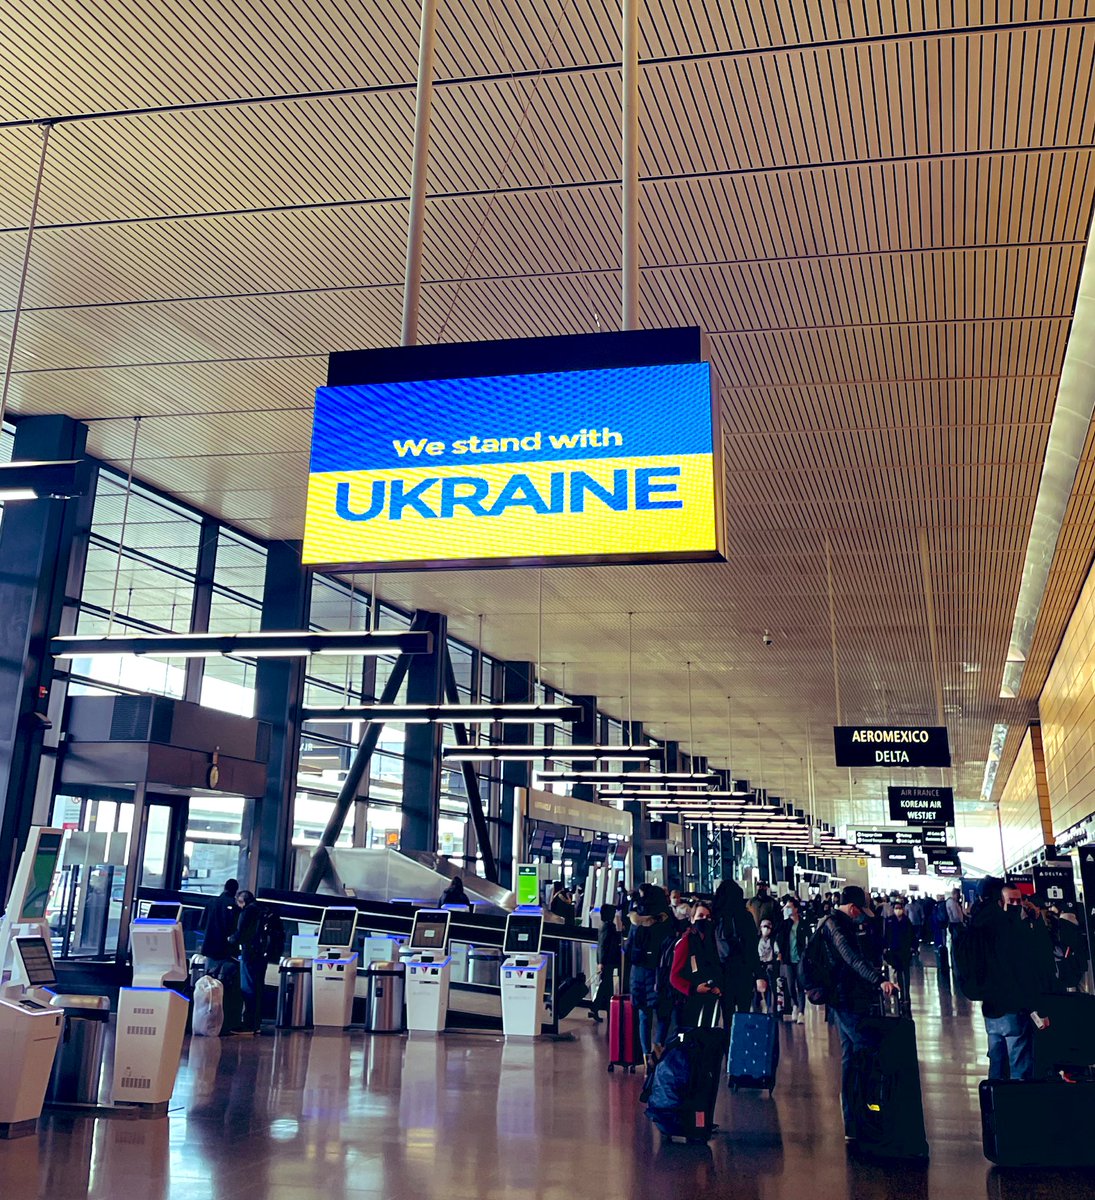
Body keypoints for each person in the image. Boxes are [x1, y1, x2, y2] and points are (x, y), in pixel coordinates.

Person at [817, 885, 898, 1141]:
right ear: (853, 908)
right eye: (861, 911)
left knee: (851, 1056)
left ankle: (854, 1121)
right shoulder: (836, 927)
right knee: (866, 1047)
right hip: (845, 999)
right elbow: (851, 959)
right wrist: (879, 980)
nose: (862, 916)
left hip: (843, 999)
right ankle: (865, 1111)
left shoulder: (837, 924)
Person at [968, 877, 1055, 1081]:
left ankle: (994, 1100)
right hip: (1014, 1009)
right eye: (1011, 901)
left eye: (1019, 900)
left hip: (991, 1010)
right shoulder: (1012, 931)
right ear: (1000, 901)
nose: (1017, 905)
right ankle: (1017, 1101)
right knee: (1020, 1066)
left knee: (997, 1063)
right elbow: (1030, 970)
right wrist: (1039, 1009)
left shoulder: (980, 926)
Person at [625, 884, 675, 1071]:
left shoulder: (635, 921)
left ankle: (646, 1057)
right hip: (658, 973)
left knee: (643, 1016)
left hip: (638, 973)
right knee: (663, 1014)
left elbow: (628, 949)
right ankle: (657, 1050)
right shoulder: (665, 921)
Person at [712, 879, 769, 1020]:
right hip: (744, 971)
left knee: (727, 1013)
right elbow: (752, 949)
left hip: (723, 972)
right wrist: (759, 974)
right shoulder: (745, 917)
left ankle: (728, 1034)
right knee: (743, 1012)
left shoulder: (715, 918)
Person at [669, 901, 723, 1027]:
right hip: (687, 1004)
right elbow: (674, 977)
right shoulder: (686, 942)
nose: (704, 920)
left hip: (707, 1000)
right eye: (700, 916)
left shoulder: (711, 942)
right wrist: (693, 989)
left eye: (708, 917)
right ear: (692, 919)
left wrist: (717, 985)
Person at [232, 890, 271, 1035]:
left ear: (241, 901)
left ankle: (248, 1024)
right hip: (262, 955)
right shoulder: (263, 910)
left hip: (249, 954)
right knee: (258, 988)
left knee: (248, 988)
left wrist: (231, 939)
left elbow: (241, 933)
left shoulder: (247, 912)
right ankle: (256, 1023)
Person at [777, 896, 809, 1023]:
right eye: (786, 907)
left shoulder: (803, 923)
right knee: (790, 985)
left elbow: (809, 938)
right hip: (788, 958)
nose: (788, 909)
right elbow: (779, 939)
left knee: (800, 985)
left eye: (790, 907)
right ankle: (794, 1004)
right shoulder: (785, 924)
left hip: (800, 958)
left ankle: (801, 1011)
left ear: (796, 909)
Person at [589, 903, 623, 1022]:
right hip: (608, 960)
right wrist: (601, 962)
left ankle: (600, 1008)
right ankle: (598, 1007)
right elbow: (603, 945)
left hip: (607, 960)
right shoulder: (608, 927)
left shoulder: (606, 926)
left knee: (606, 985)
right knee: (605, 985)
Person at [200, 878, 239, 975]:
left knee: (209, 976)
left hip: (210, 944)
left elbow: (201, 924)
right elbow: (235, 927)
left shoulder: (211, 902)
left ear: (224, 888)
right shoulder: (234, 905)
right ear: (235, 891)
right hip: (226, 947)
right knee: (224, 975)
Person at [883, 900, 916, 1002]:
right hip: (894, 950)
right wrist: (885, 947)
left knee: (905, 972)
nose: (898, 910)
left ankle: (906, 994)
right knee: (897, 972)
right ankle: (900, 993)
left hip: (905, 950)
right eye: (896, 908)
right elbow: (886, 935)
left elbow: (912, 935)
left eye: (900, 908)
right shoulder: (890, 921)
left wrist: (913, 947)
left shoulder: (906, 921)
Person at [754, 919, 778, 1012]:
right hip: (759, 966)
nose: (766, 929)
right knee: (756, 989)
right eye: (764, 927)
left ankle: (771, 1009)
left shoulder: (773, 940)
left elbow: (777, 953)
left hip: (770, 966)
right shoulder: (757, 940)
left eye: (768, 927)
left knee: (770, 989)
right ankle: (757, 1009)